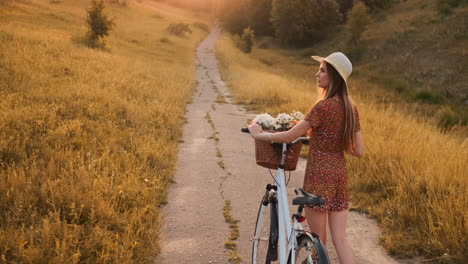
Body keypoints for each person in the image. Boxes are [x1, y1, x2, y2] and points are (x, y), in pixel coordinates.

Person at [248, 52, 364, 264]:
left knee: (318, 242)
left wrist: (260, 134)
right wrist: (334, 138)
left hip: (318, 176)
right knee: (341, 239)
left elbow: (291, 136)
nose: (317, 74)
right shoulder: (351, 109)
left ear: (334, 77)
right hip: (339, 175)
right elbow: (358, 151)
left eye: (322, 71)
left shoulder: (323, 106)